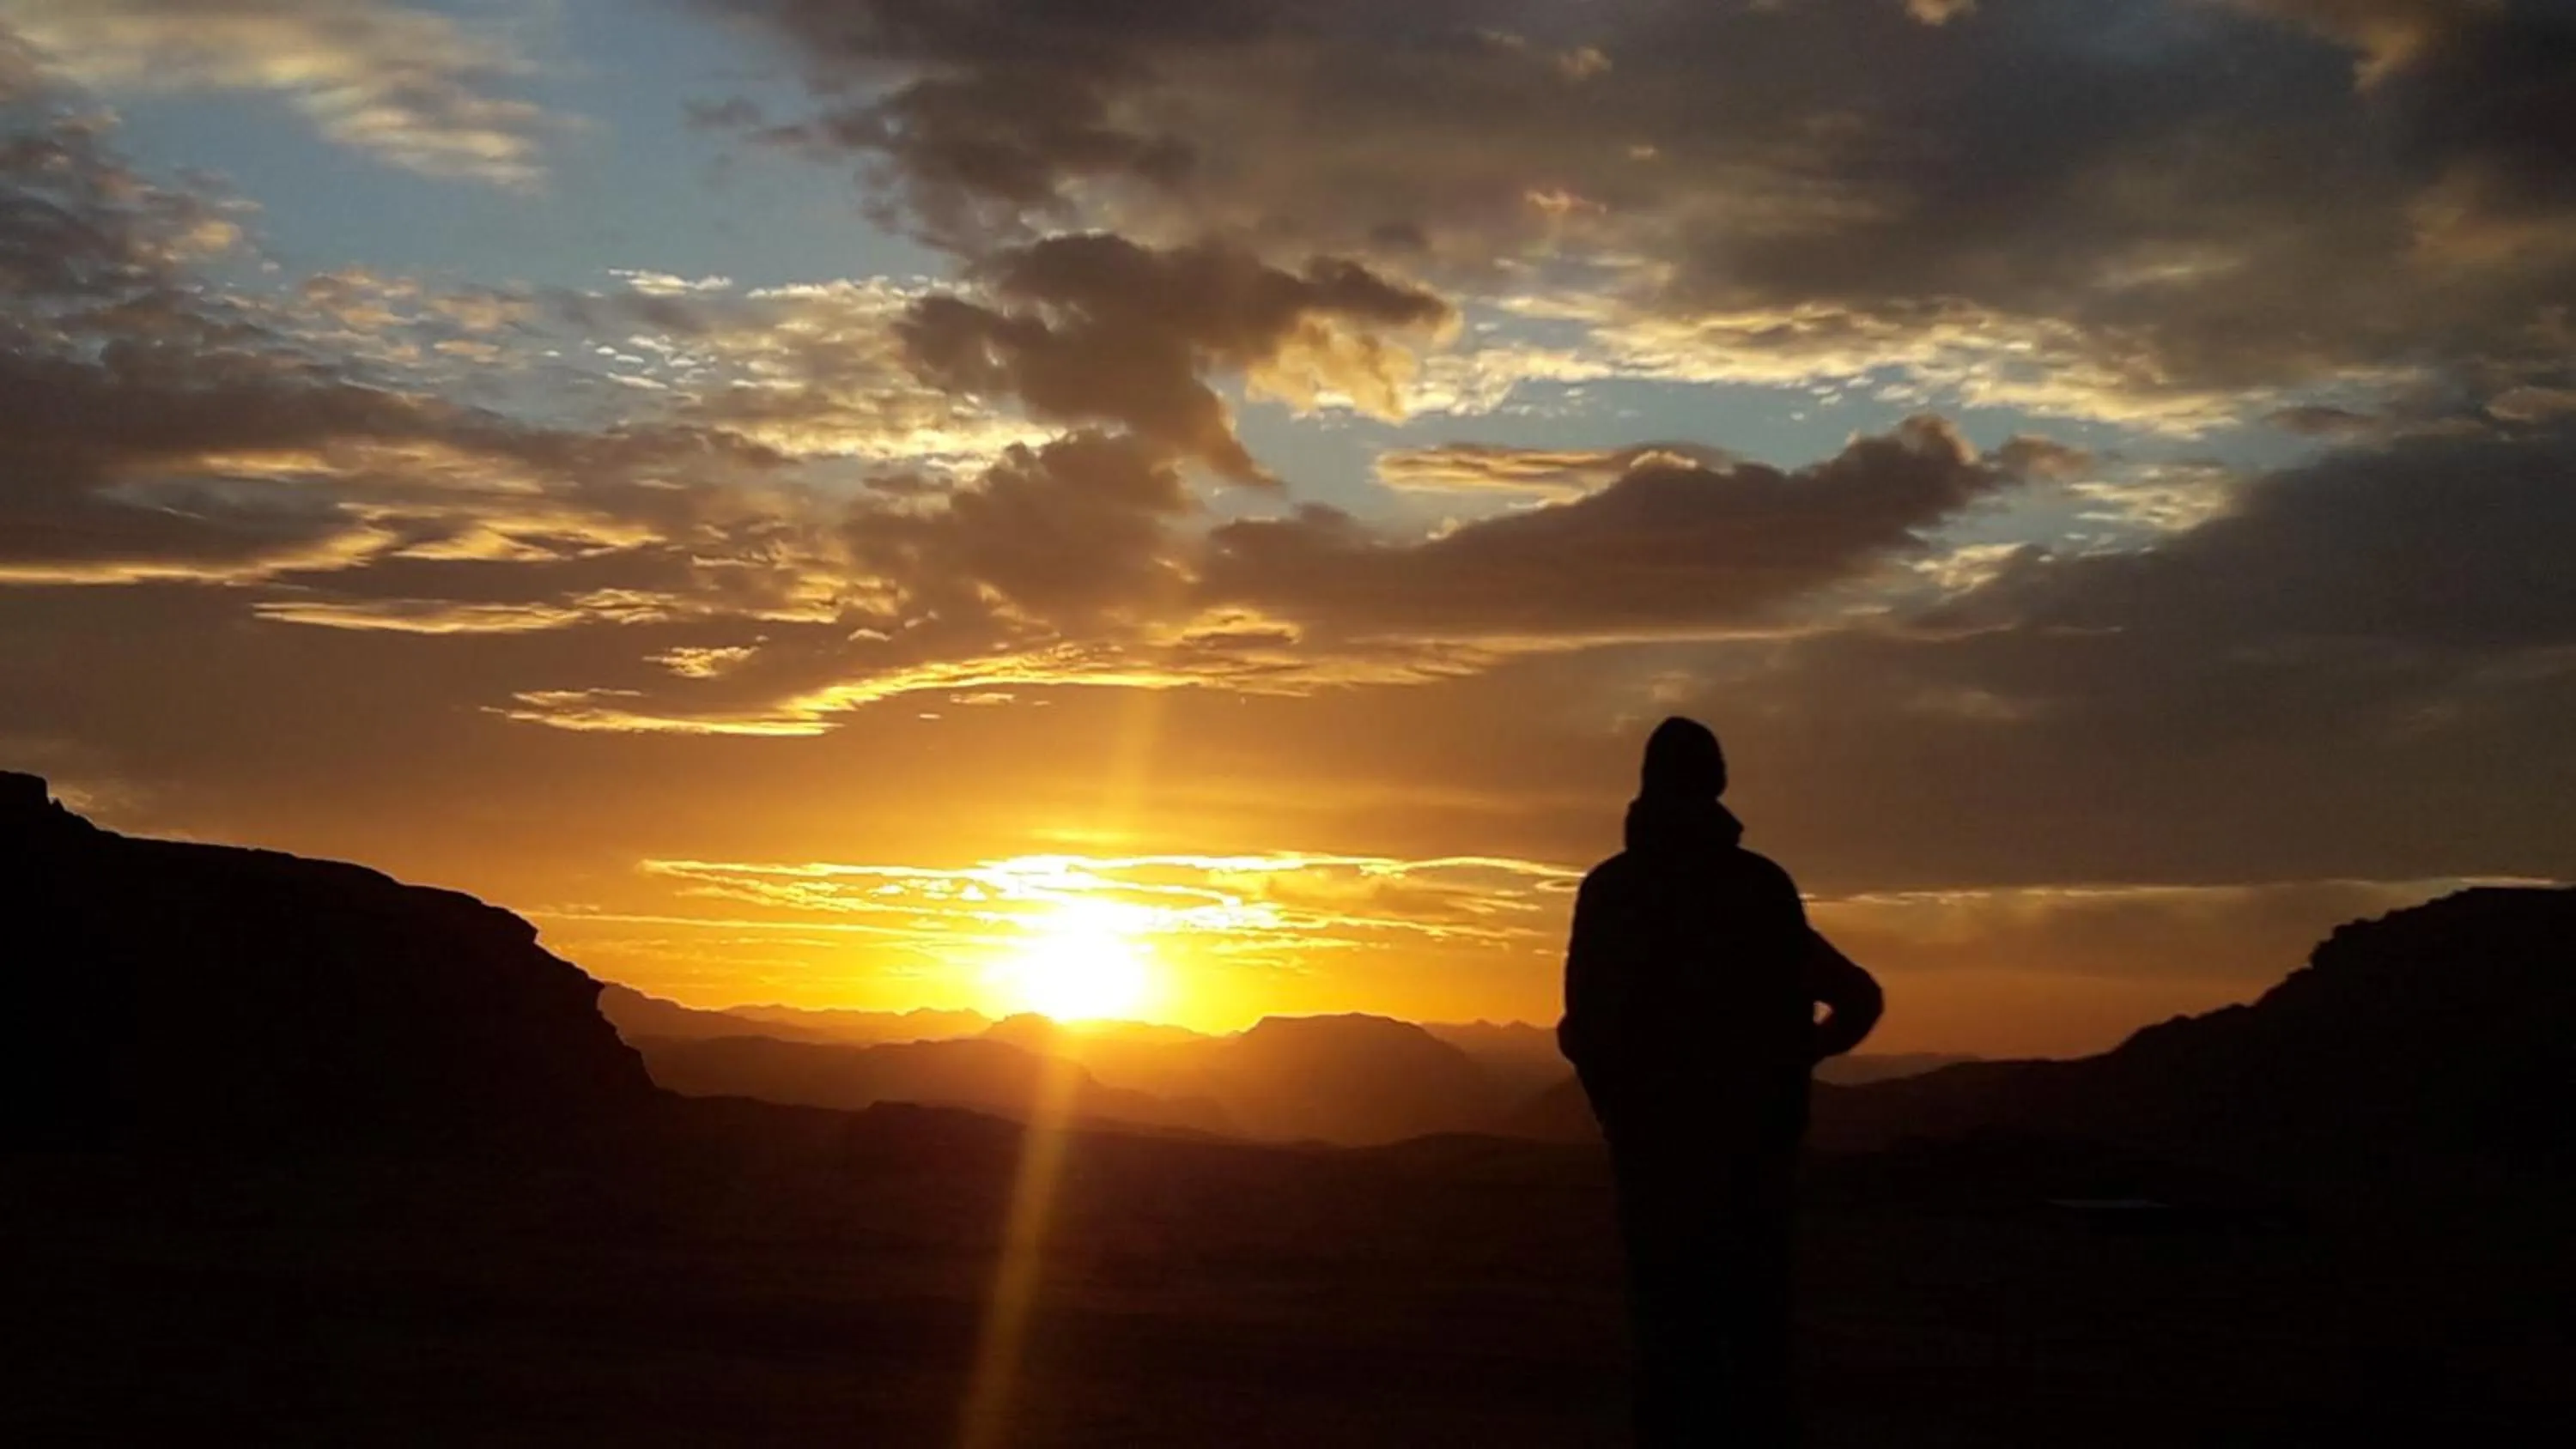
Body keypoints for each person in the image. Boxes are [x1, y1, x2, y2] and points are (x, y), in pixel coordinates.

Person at [1558, 716, 1883, 1447]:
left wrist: (1620, 1113)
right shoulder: (1759, 888)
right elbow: (1857, 997)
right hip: (1755, 1149)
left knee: (1668, 1340)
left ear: (1645, 785)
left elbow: (1581, 1031)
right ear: (1719, 783)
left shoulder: (1612, 891)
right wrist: (1797, 1062)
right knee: (1756, 1331)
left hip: (1653, 1155)